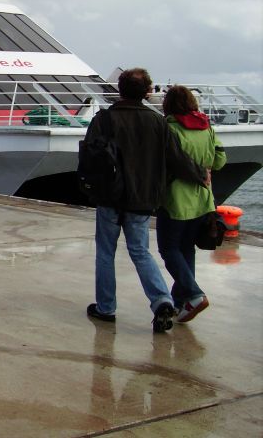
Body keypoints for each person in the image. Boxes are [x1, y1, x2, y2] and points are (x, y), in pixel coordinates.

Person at [84, 68, 206, 333]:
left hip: (109, 198)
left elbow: (88, 158)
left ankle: (106, 308)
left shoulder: (104, 119)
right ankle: (161, 299)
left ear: (120, 89)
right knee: (140, 251)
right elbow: (177, 158)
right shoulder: (158, 122)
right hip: (142, 199)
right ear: (148, 92)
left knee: (106, 253)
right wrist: (200, 176)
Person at [157, 86, 226, 323]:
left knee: (168, 249)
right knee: (186, 249)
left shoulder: (169, 128)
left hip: (176, 198)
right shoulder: (207, 127)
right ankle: (181, 302)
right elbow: (219, 160)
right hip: (202, 199)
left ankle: (194, 294)